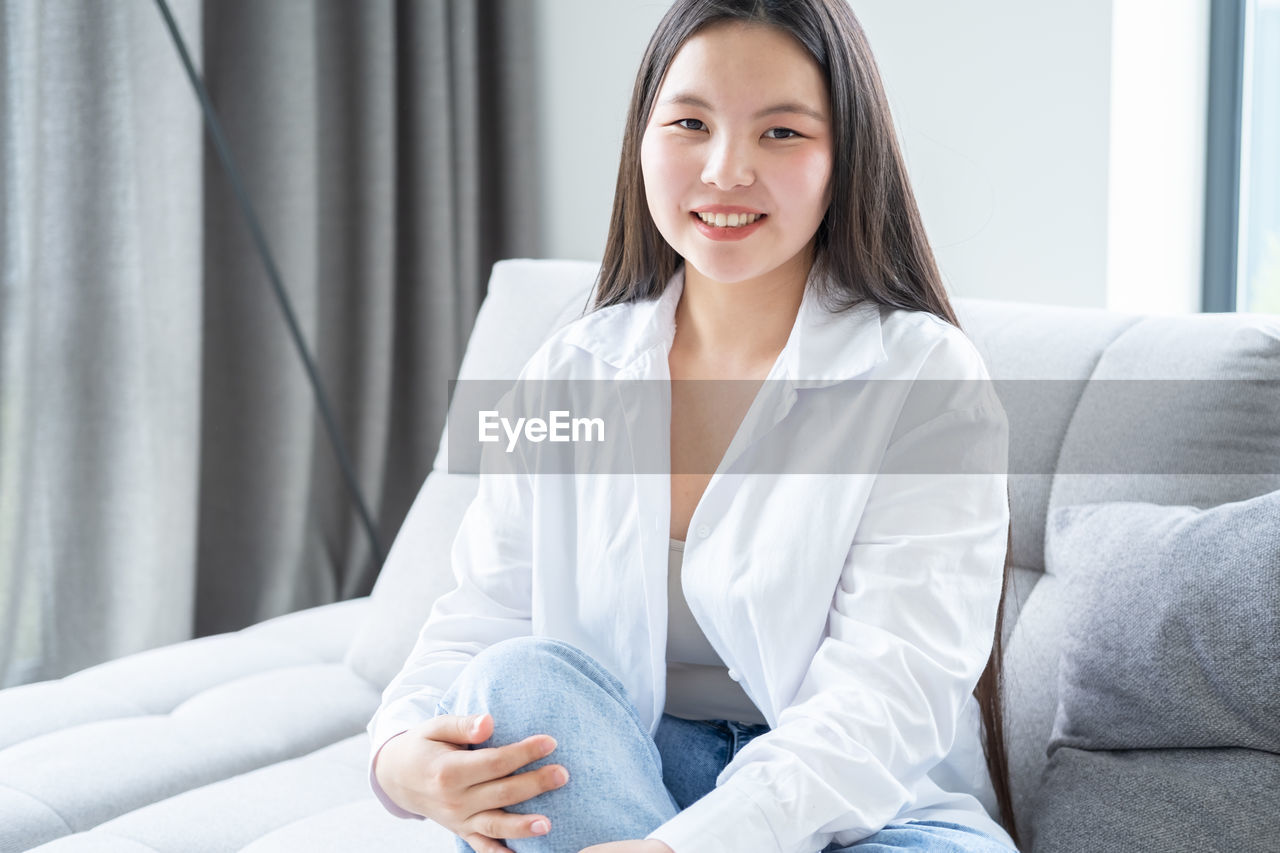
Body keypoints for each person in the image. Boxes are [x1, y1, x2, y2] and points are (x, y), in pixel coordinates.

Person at [367, 1, 1022, 851]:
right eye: (689, 123)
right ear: (643, 138)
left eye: (780, 134)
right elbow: (482, 613)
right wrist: (396, 758)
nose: (725, 170)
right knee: (516, 684)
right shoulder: (570, 372)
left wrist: (686, 846)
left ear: (845, 159)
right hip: (625, 774)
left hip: (869, 812)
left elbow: (887, 700)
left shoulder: (925, 380)